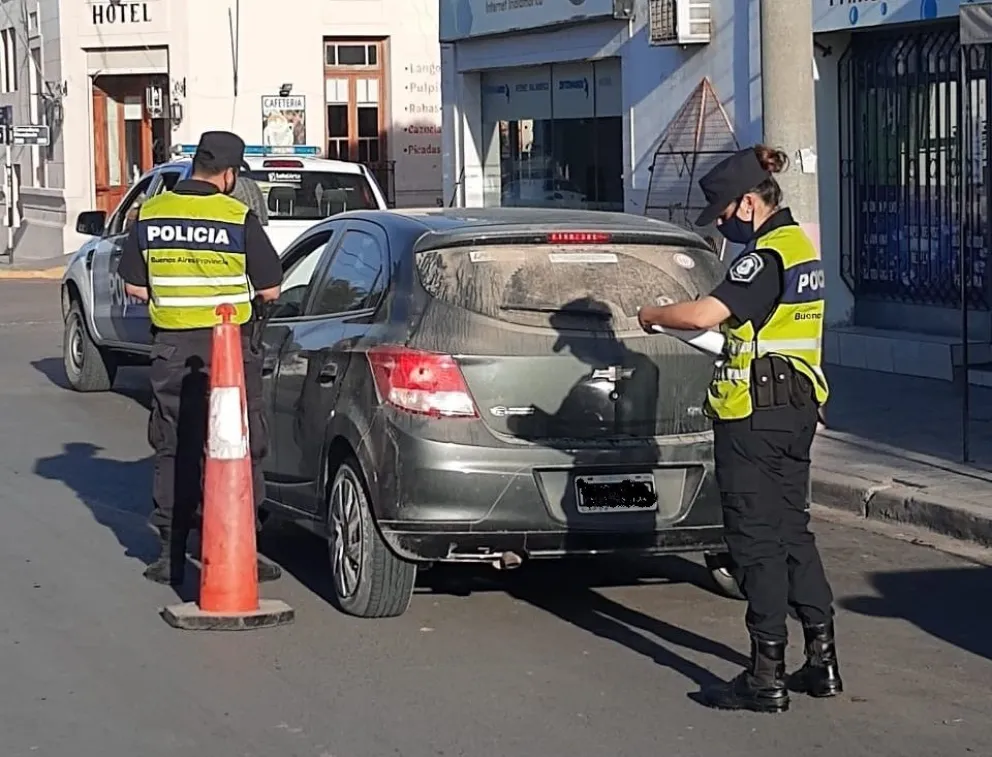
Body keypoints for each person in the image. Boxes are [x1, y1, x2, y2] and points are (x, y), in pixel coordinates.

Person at [636, 145, 841, 714]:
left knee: (755, 542)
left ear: (749, 203)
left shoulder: (765, 257)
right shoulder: (803, 249)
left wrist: (656, 315)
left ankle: (765, 676)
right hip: (796, 408)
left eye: (725, 214)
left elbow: (705, 315)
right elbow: (762, 333)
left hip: (754, 415)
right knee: (793, 531)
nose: (723, 226)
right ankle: (821, 659)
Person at [118, 131, 284, 587]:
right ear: (229, 174)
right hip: (230, 352)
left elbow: (134, 285)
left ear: (195, 166)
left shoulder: (151, 213)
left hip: (172, 348)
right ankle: (242, 546)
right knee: (238, 446)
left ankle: (171, 554)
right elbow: (270, 288)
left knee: (175, 445)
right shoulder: (237, 216)